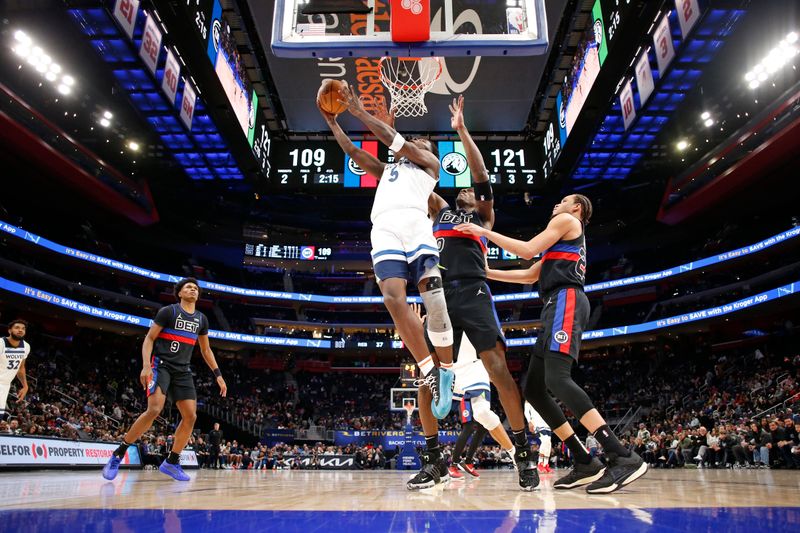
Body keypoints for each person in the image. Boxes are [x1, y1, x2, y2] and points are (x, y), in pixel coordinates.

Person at [456, 194, 647, 494]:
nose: (555, 204)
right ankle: (584, 460)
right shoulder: (562, 239)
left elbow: (528, 250)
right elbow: (530, 275)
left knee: (557, 379)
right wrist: (483, 273)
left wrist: (483, 232)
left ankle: (621, 455)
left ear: (578, 208)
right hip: (554, 304)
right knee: (533, 389)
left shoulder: (567, 221)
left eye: (563, 200)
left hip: (566, 300)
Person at [319, 85, 455, 486]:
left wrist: (359, 112)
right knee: (394, 300)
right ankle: (431, 368)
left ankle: (444, 368)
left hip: (416, 226)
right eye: (414, 139)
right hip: (385, 231)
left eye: (421, 140)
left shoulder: (429, 164)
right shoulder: (390, 170)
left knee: (433, 297)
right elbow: (358, 155)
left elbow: (395, 140)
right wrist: (333, 124)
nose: (416, 141)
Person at [424, 95, 538, 491]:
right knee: (428, 374)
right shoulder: (439, 210)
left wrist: (460, 130)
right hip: (439, 296)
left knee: (498, 369)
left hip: (473, 291)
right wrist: (405, 148)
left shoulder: (482, 217)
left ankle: (523, 452)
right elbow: (418, 182)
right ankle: (434, 458)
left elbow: (480, 171)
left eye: (477, 191)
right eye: (469, 190)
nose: (472, 191)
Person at [102, 278, 227, 482]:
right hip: (161, 365)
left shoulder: (202, 319)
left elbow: (205, 350)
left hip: (183, 370)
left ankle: (171, 461)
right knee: (154, 409)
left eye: (196, 288)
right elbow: (149, 339)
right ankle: (118, 454)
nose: (193, 290)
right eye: (188, 287)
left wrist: (218, 375)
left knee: (191, 416)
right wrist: (145, 365)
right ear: (179, 293)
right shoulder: (168, 311)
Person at [447, 332, 516, 481]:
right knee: (469, 426)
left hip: (478, 373)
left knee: (484, 424)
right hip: (463, 378)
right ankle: (453, 464)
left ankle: (469, 461)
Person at [0, 319, 30, 421]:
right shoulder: (1, 343)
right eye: (17, 328)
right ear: (9, 330)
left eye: (23, 328)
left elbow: (21, 369)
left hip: (5, 385)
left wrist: (25, 386)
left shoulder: (26, 346)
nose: (20, 330)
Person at [525, 401, 553, 472]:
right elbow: (526, 411)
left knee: (548, 443)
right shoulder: (529, 398)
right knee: (545, 440)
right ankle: (540, 463)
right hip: (536, 422)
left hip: (546, 422)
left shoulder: (542, 396)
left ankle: (546, 464)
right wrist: (529, 421)